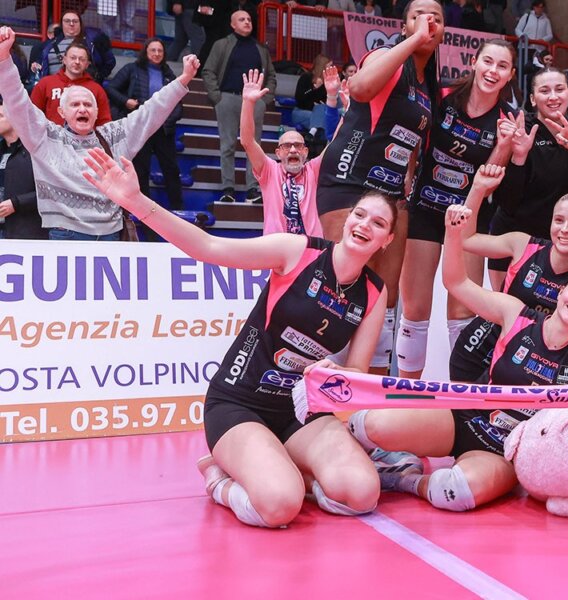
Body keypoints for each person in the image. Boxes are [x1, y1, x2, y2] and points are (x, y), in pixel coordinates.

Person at [82, 147, 394, 529]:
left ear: (387, 239)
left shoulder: (375, 292)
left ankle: (287, 468)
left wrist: (337, 374)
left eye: (378, 223)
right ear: (347, 220)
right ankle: (220, 479)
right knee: (280, 505)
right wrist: (135, 201)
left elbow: (357, 373)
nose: (365, 225)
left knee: (363, 493)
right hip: (238, 403)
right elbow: (208, 247)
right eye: (360, 215)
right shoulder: (297, 251)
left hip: (301, 413)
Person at [346, 203, 568, 513]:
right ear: (561, 291)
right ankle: (361, 464)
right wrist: (453, 233)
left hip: (505, 449)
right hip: (463, 418)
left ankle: (404, 479)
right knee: (370, 424)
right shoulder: (515, 313)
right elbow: (456, 282)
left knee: (454, 492)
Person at [317, 0, 443, 375]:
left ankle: (371, 386)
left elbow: (412, 141)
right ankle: (326, 383)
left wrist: (407, 182)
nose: (429, 21)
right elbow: (359, 88)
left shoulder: (428, 85)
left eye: (436, 17)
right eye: (419, 16)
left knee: (384, 297)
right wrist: (412, 41)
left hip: (391, 195)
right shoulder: (387, 56)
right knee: (342, 285)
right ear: (404, 27)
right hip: (349, 178)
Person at [395, 38, 517, 380]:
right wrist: (408, 177)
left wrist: (504, 146)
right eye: (488, 62)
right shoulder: (444, 96)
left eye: (502, 66)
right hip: (425, 209)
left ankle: (461, 396)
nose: (493, 71)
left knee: (463, 313)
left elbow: (491, 179)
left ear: (510, 75)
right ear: (474, 62)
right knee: (415, 310)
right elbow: (414, 138)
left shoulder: (507, 119)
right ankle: (406, 392)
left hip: (470, 221)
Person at [0, 27, 195, 241]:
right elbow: (17, 100)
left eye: (87, 104)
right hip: (65, 237)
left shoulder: (114, 135)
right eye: (75, 104)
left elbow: (151, 111)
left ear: (96, 111)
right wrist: (4, 59)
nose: (82, 109)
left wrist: (183, 79)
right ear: (62, 112)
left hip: (111, 237)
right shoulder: (45, 136)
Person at [447, 164, 568, 383]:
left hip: (529, 365)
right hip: (481, 346)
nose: (565, 229)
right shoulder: (523, 245)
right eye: (559, 220)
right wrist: (477, 189)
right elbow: (466, 240)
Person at [488, 67, 568, 266]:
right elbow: (507, 202)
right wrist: (519, 156)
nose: (553, 96)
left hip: (561, 242)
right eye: (544, 91)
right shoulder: (521, 128)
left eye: (559, 89)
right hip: (515, 239)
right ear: (533, 99)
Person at [240, 68, 339, 237]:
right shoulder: (269, 170)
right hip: (277, 248)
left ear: (305, 152)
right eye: (287, 146)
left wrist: (332, 97)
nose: (293, 149)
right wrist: (248, 103)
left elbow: (337, 141)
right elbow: (247, 141)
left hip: (310, 247)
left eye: (298, 146)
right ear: (278, 153)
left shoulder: (313, 170)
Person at [202, 10, 276, 203]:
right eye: (242, 19)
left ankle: (253, 189)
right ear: (232, 24)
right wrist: (217, 97)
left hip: (254, 102)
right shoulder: (221, 44)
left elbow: (271, 76)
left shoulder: (261, 49)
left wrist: (265, 100)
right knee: (227, 145)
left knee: (254, 146)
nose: (247, 22)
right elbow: (208, 71)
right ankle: (228, 188)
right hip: (228, 98)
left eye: (249, 19)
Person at [107, 38, 185, 210]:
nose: (156, 54)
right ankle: (143, 210)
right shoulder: (132, 69)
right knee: (141, 170)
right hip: (140, 126)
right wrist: (125, 101)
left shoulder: (169, 74)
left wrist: (169, 118)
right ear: (146, 52)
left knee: (171, 169)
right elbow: (111, 88)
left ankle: (178, 209)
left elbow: (178, 103)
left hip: (163, 129)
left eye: (160, 51)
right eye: (153, 50)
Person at [30, 43, 112, 127]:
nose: (77, 62)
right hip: (51, 134)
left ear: (87, 64)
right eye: (73, 58)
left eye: (82, 59)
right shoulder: (45, 84)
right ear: (64, 60)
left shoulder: (96, 89)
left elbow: (104, 124)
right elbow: (32, 116)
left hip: (85, 135)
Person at [0, 102, 47, 239]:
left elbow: (51, 191)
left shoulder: (36, 150)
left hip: (26, 230)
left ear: (16, 118)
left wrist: (16, 203)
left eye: (0, 116)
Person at [32, 11, 115, 82]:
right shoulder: (50, 44)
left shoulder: (93, 39)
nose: (71, 24)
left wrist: (97, 78)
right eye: (67, 21)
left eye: (75, 21)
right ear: (61, 24)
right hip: (53, 87)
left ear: (80, 24)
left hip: (83, 87)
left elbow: (110, 62)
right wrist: (37, 65)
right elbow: (40, 63)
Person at [291, 55, 330, 138]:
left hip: (318, 112)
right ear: (322, 67)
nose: (330, 69)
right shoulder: (306, 77)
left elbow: (324, 102)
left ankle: (312, 132)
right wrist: (313, 88)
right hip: (301, 111)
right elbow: (300, 98)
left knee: (324, 114)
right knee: (323, 120)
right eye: (328, 67)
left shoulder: (326, 82)